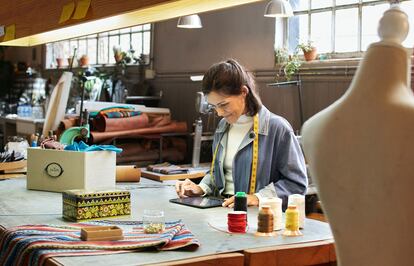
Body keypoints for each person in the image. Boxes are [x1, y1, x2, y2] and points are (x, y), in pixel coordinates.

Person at [175, 59, 307, 209]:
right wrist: (201, 188)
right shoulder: (223, 126)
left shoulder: (278, 129)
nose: (218, 113)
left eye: (223, 105)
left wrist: (257, 198)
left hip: (260, 218)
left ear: (244, 92)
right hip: (221, 211)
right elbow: (219, 174)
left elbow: (296, 184)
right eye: (214, 107)